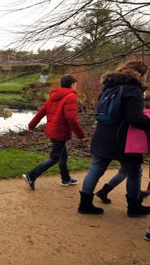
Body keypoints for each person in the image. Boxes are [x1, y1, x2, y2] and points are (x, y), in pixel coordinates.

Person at [78, 60, 150, 216]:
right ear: (142, 75)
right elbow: (135, 117)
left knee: (96, 168)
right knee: (134, 171)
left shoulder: (109, 85)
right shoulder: (133, 89)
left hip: (102, 134)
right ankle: (134, 207)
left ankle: (85, 204)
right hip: (124, 138)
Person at [22, 74, 85, 190]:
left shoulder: (54, 96)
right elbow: (71, 117)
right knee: (54, 158)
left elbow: (42, 111)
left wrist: (32, 125)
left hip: (53, 130)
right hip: (60, 132)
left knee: (63, 155)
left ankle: (66, 179)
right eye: (75, 84)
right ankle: (31, 175)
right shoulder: (71, 97)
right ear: (72, 84)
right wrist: (80, 134)